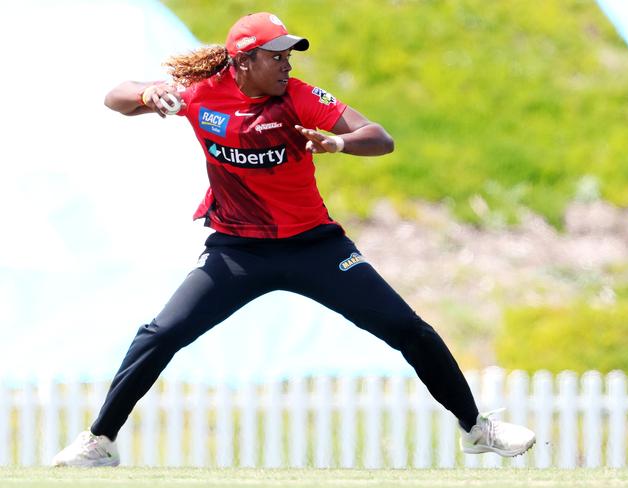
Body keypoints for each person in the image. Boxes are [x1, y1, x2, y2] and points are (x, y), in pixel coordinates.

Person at [52, 12, 535, 467]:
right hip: (237, 251)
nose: (287, 65)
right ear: (243, 61)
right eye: (276, 56)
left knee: (408, 330)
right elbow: (116, 95)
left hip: (315, 249)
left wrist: (339, 143)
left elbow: (380, 136)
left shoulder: (299, 97)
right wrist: (152, 94)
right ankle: (101, 441)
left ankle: (476, 429)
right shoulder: (201, 94)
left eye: (289, 55)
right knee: (160, 335)